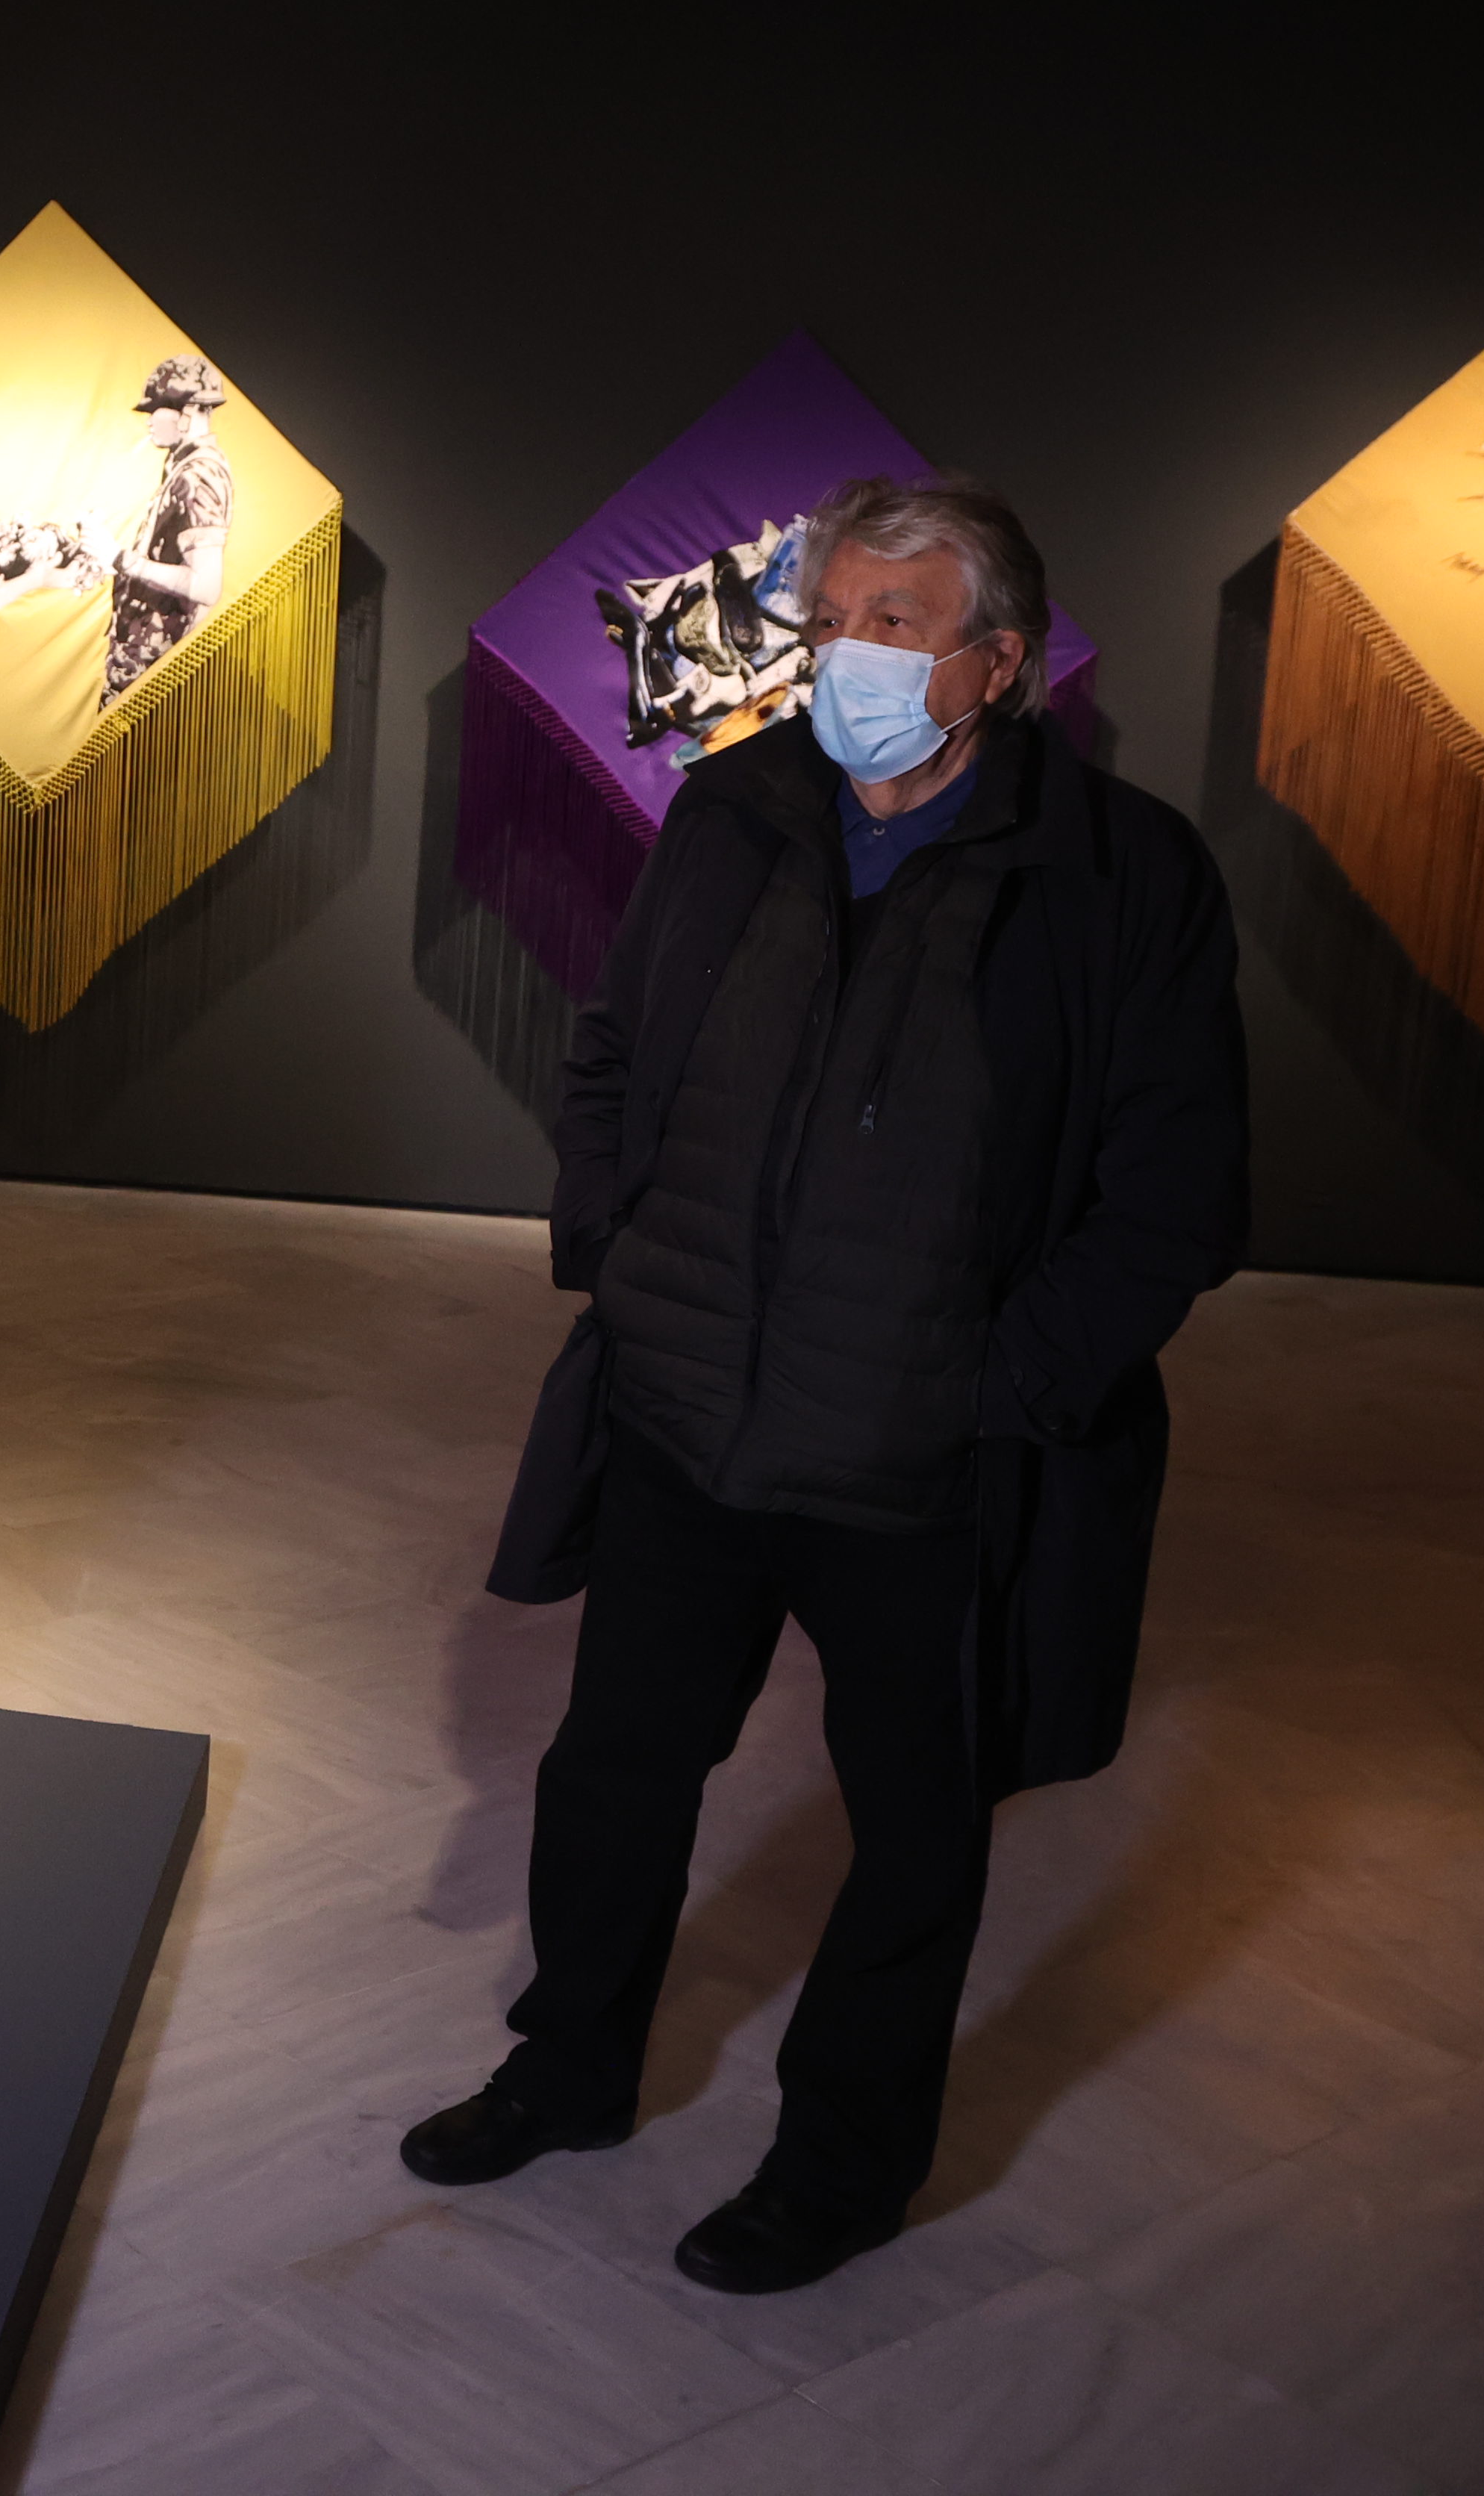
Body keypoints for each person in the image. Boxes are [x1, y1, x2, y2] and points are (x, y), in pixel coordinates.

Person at [409, 476, 1249, 2294]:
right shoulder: (734, 810)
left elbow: (1175, 1197)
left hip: (921, 1464)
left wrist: (999, 1387)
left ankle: (841, 2166)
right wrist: (617, 1260)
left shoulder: (1122, 876)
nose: (842, 658)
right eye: (829, 620)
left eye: (892, 625)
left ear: (998, 664)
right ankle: (568, 2068)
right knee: (615, 1770)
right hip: (689, 1416)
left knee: (915, 1833)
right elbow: (614, 1051)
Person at [103, 355, 234, 700]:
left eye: (156, 409)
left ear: (187, 411)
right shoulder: (184, 468)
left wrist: (121, 559)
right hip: (142, 664)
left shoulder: (198, 476)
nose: (148, 420)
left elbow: (206, 586)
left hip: (155, 675)